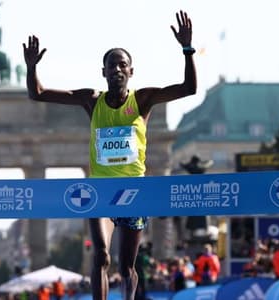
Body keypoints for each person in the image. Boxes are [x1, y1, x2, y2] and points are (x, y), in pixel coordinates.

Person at [23, 10, 197, 300]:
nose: (116, 69)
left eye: (122, 65)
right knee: (101, 256)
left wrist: (187, 49)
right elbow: (38, 93)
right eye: (111, 65)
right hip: (100, 191)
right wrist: (31, 67)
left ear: (131, 71)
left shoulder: (143, 99)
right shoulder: (91, 100)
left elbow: (189, 88)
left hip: (133, 192)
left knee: (127, 265)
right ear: (103, 72)